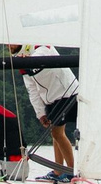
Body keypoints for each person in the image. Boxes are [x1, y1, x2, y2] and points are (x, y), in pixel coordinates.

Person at [16, 45, 78, 175]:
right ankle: (59, 171)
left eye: (11, 44)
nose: (8, 47)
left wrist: (30, 59)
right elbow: (31, 89)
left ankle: (71, 172)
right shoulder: (20, 61)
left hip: (68, 93)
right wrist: (40, 113)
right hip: (51, 99)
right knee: (56, 134)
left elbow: (46, 50)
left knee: (57, 134)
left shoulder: (41, 46)